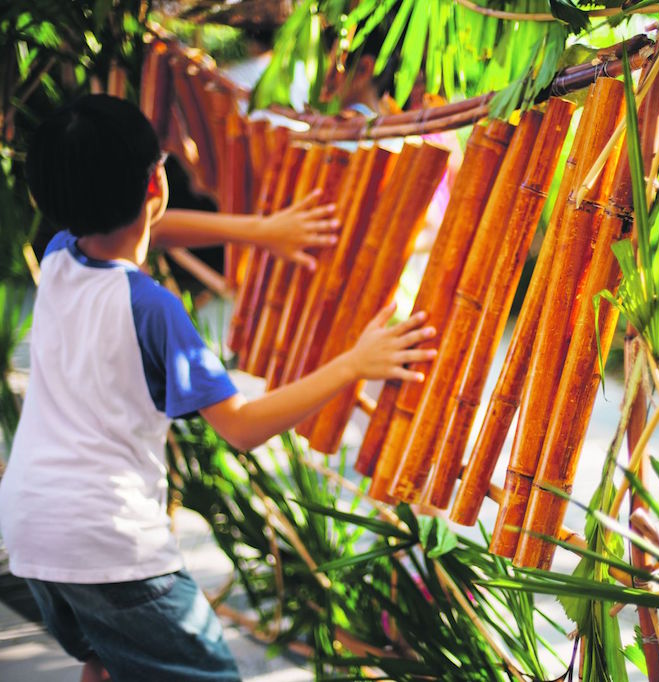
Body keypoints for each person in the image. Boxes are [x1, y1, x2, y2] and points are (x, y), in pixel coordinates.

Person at [0, 94, 436, 682]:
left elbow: (141, 225)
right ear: (158, 182)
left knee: (106, 660)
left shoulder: (58, 257)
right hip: (109, 546)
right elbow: (241, 425)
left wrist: (259, 232)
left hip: (32, 532)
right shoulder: (152, 310)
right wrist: (353, 364)